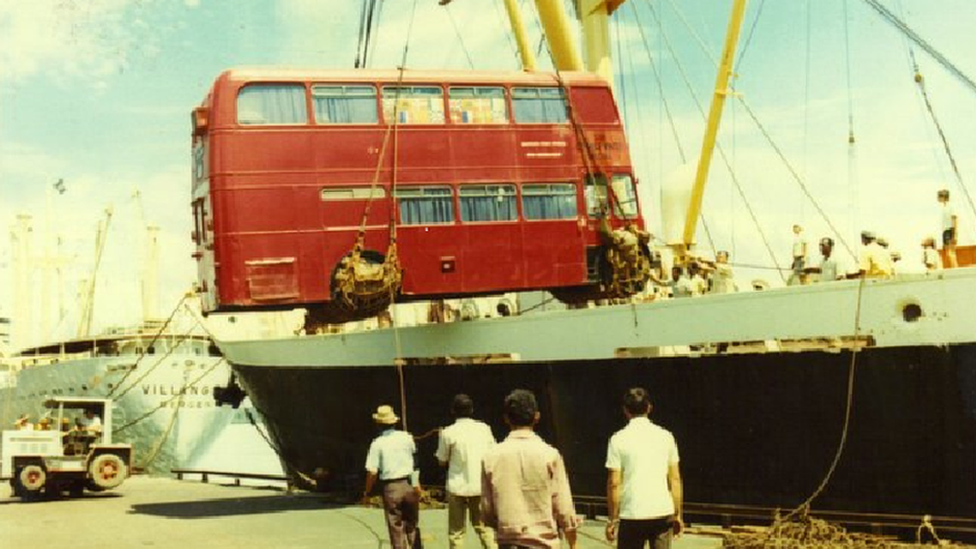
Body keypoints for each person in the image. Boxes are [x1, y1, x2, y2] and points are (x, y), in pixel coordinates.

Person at [481, 389, 579, 549]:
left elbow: (487, 510)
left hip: (508, 543)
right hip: (544, 543)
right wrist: (573, 544)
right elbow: (564, 507)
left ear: (506, 419)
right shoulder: (550, 454)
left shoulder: (491, 456)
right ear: (537, 417)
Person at [605, 388, 683, 549]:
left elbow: (614, 482)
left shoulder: (617, 439)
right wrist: (677, 514)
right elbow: (674, 479)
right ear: (649, 408)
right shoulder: (666, 437)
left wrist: (612, 519)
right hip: (661, 511)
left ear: (625, 410)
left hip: (632, 513)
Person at [436, 394, 497, 549]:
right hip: (480, 484)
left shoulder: (448, 432)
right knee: (484, 529)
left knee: (456, 532)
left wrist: (440, 439)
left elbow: (441, 461)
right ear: (472, 409)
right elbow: (493, 455)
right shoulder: (484, 429)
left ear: (452, 411)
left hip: (457, 486)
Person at [363, 404, 421, 549]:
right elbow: (415, 462)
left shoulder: (377, 443)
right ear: (395, 422)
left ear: (378, 424)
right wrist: (417, 484)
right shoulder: (407, 437)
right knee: (412, 524)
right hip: (409, 484)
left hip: (391, 487)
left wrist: (367, 492)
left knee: (396, 526)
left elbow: (372, 472)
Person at [938, 189, 959, 268]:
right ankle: (954, 268)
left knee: (951, 253)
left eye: (939, 196)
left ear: (943, 197)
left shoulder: (951, 206)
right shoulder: (945, 207)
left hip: (949, 230)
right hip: (945, 231)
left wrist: (955, 235)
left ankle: (955, 270)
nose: (938, 198)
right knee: (949, 253)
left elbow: (955, 219)